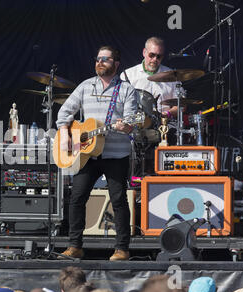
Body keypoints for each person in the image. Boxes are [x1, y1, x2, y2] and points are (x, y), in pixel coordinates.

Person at [56, 45, 137, 261]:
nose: (100, 62)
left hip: (116, 154)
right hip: (87, 154)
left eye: (106, 59)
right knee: (77, 198)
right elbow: (64, 113)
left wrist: (127, 127)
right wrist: (65, 133)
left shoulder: (127, 90)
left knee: (118, 199)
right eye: (98, 58)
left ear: (116, 64)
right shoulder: (85, 86)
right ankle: (75, 246)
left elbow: (132, 121)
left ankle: (122, 249)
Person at [121, 37, 179, 145]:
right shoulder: (128, 75)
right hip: (136, 124)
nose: (154, 59)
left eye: (159, 56)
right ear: (144, 52)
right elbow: (120, 104)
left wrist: (167, 114)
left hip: (164, 124)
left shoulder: (171, 75)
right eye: (151, 55)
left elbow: (181, 105)